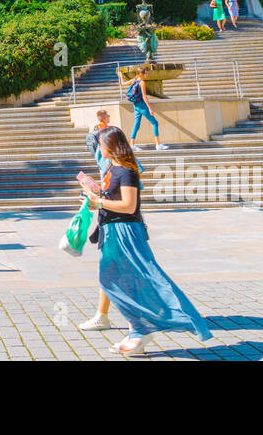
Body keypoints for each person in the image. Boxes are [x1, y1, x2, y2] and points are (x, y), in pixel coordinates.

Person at [76, 129, 212, 356]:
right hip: (111, 231)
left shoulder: (127, 171)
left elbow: (129, 206)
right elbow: (113, 199)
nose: (99, 148)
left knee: (137, 278)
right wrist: (94, 197)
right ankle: (137, 330)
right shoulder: (112, 169)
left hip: (125, 232)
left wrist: (99, 201)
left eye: (101, 144)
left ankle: (150, 327)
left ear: (111, 145)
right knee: (118, 280)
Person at [125, 65, 167, 151]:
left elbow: (123, 84)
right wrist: (150, 108)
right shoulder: (142, 82)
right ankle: (158, 145)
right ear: (142, 74)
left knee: (136, 124)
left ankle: (132, 144)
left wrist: (120, 76)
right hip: (142, 105)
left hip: (135, 105)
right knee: (155, 123)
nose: (146, 74)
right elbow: (144, 97)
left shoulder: (134, 80)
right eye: (146, 73)